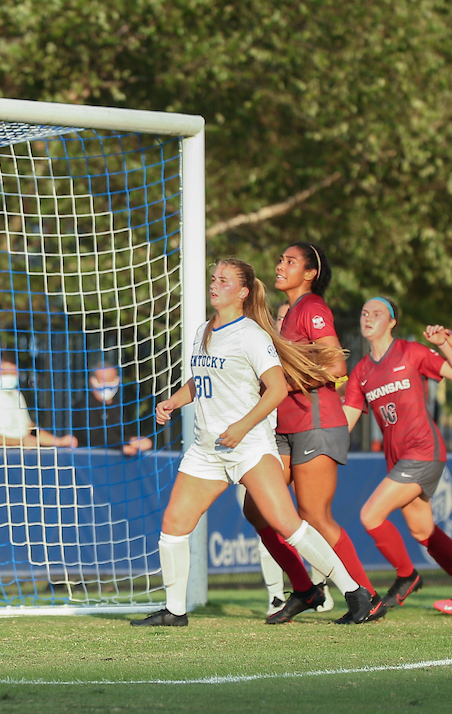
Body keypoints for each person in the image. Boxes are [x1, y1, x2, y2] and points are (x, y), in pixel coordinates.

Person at [131, 258, 373, 627]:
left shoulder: (251, 335)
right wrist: (173, 401)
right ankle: (175, 611)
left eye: (224, 281)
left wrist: (243, 427)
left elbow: (276, 389)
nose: (215, 285)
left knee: (289, 525)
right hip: (208, 449)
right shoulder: (203, 330)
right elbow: (202, 380)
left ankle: (354, 592)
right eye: (213, 279)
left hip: (249, 446)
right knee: (173, 526)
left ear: (243, 292)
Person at [243, 243, 377, 624]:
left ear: (310, 273)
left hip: (317, 423)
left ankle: (365, 594)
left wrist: (286, 383)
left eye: (290, 261)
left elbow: (336, 365)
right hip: (287, 428)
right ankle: (305, 589)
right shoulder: (289, 316)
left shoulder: (313, 307)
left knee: (314, 515)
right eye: (281, 259)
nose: (280, 265)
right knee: (258, 509)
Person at [343, 297, 452, 613]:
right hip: (400, 460)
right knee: (423, 531)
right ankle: (408, 576)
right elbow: (345, 422)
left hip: (423, 452)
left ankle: (407, 575)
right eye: (364, 312)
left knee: (370, 515)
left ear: (392, 322)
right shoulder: (361, 371)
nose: (368, 317)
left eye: (377, 313)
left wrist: (444, 343)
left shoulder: (411, 352)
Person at [0, 357, 77, 448]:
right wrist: (20, 442)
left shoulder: (17, 396)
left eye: (14, 373)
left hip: (18, 461)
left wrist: (59, 441)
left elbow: (29, 428)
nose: (11, 376)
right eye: (6, 373)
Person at [69, 360, 152, 455]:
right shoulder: (84, 406)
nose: (107, 384)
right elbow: (93, 439)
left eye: (110, 379)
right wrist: (126, 442)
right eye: (103, 380)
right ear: (92, 381)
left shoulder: (119, 405)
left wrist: (133, 444)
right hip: (90, 459)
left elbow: (124, 433)